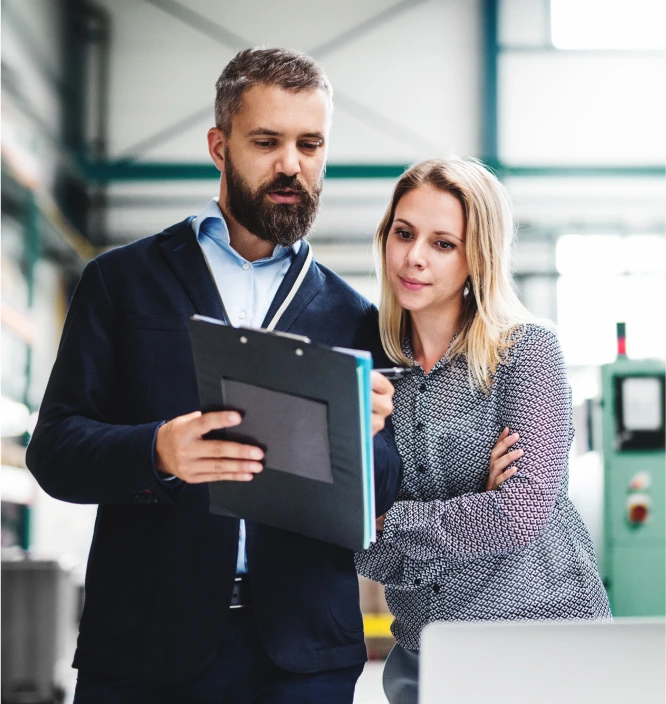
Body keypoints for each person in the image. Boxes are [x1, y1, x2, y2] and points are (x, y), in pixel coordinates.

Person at [26, 48, 402, 704]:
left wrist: (365, 441)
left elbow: (382, 497)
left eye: (310, 144)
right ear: (218, 145)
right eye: (267, 141)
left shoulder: (353, 316)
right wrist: (157, 451)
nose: (292, 164)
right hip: (145, 650)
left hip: (302, 660)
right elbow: (56, 450)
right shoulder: (121, 282)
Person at [355, 158, 611, 704]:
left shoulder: (525, 352)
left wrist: (385, 520)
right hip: (425, 652)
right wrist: (475, 507)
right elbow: (349, 536)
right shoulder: (368, 374)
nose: (414, 257)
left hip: (538, 638)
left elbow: (520, 514)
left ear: (478, 257)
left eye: (443, 243)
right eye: (404, 233)